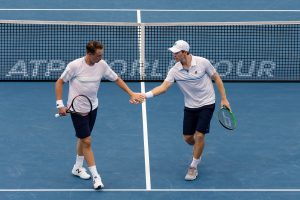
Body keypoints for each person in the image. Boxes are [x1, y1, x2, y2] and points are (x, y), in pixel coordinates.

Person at [55, 40, 144, 190]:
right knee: (87, 141)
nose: (101, 58)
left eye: (102, 55)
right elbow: (59, 82)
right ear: (89, 54)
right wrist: (60, 104)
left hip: (93, 107)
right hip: (77, 109)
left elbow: (116, 79)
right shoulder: (74, 66)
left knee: (83, 137)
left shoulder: (101, 65)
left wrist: (131, 93)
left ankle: (77, 167)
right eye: (98, 55)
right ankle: (96, 177)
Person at [142, 40, 231, 181]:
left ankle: (193, 166)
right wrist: (145, 96)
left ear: (185, 52)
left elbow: (217, 78)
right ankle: (198, 150)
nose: (174, 55)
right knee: (188, 138)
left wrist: (224, 98)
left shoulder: (203, 62)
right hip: (190, 106)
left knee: (200, 135)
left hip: (207, 103)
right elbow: (163, 88)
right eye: (173, 53)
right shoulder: (175, 70)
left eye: (176, 53)